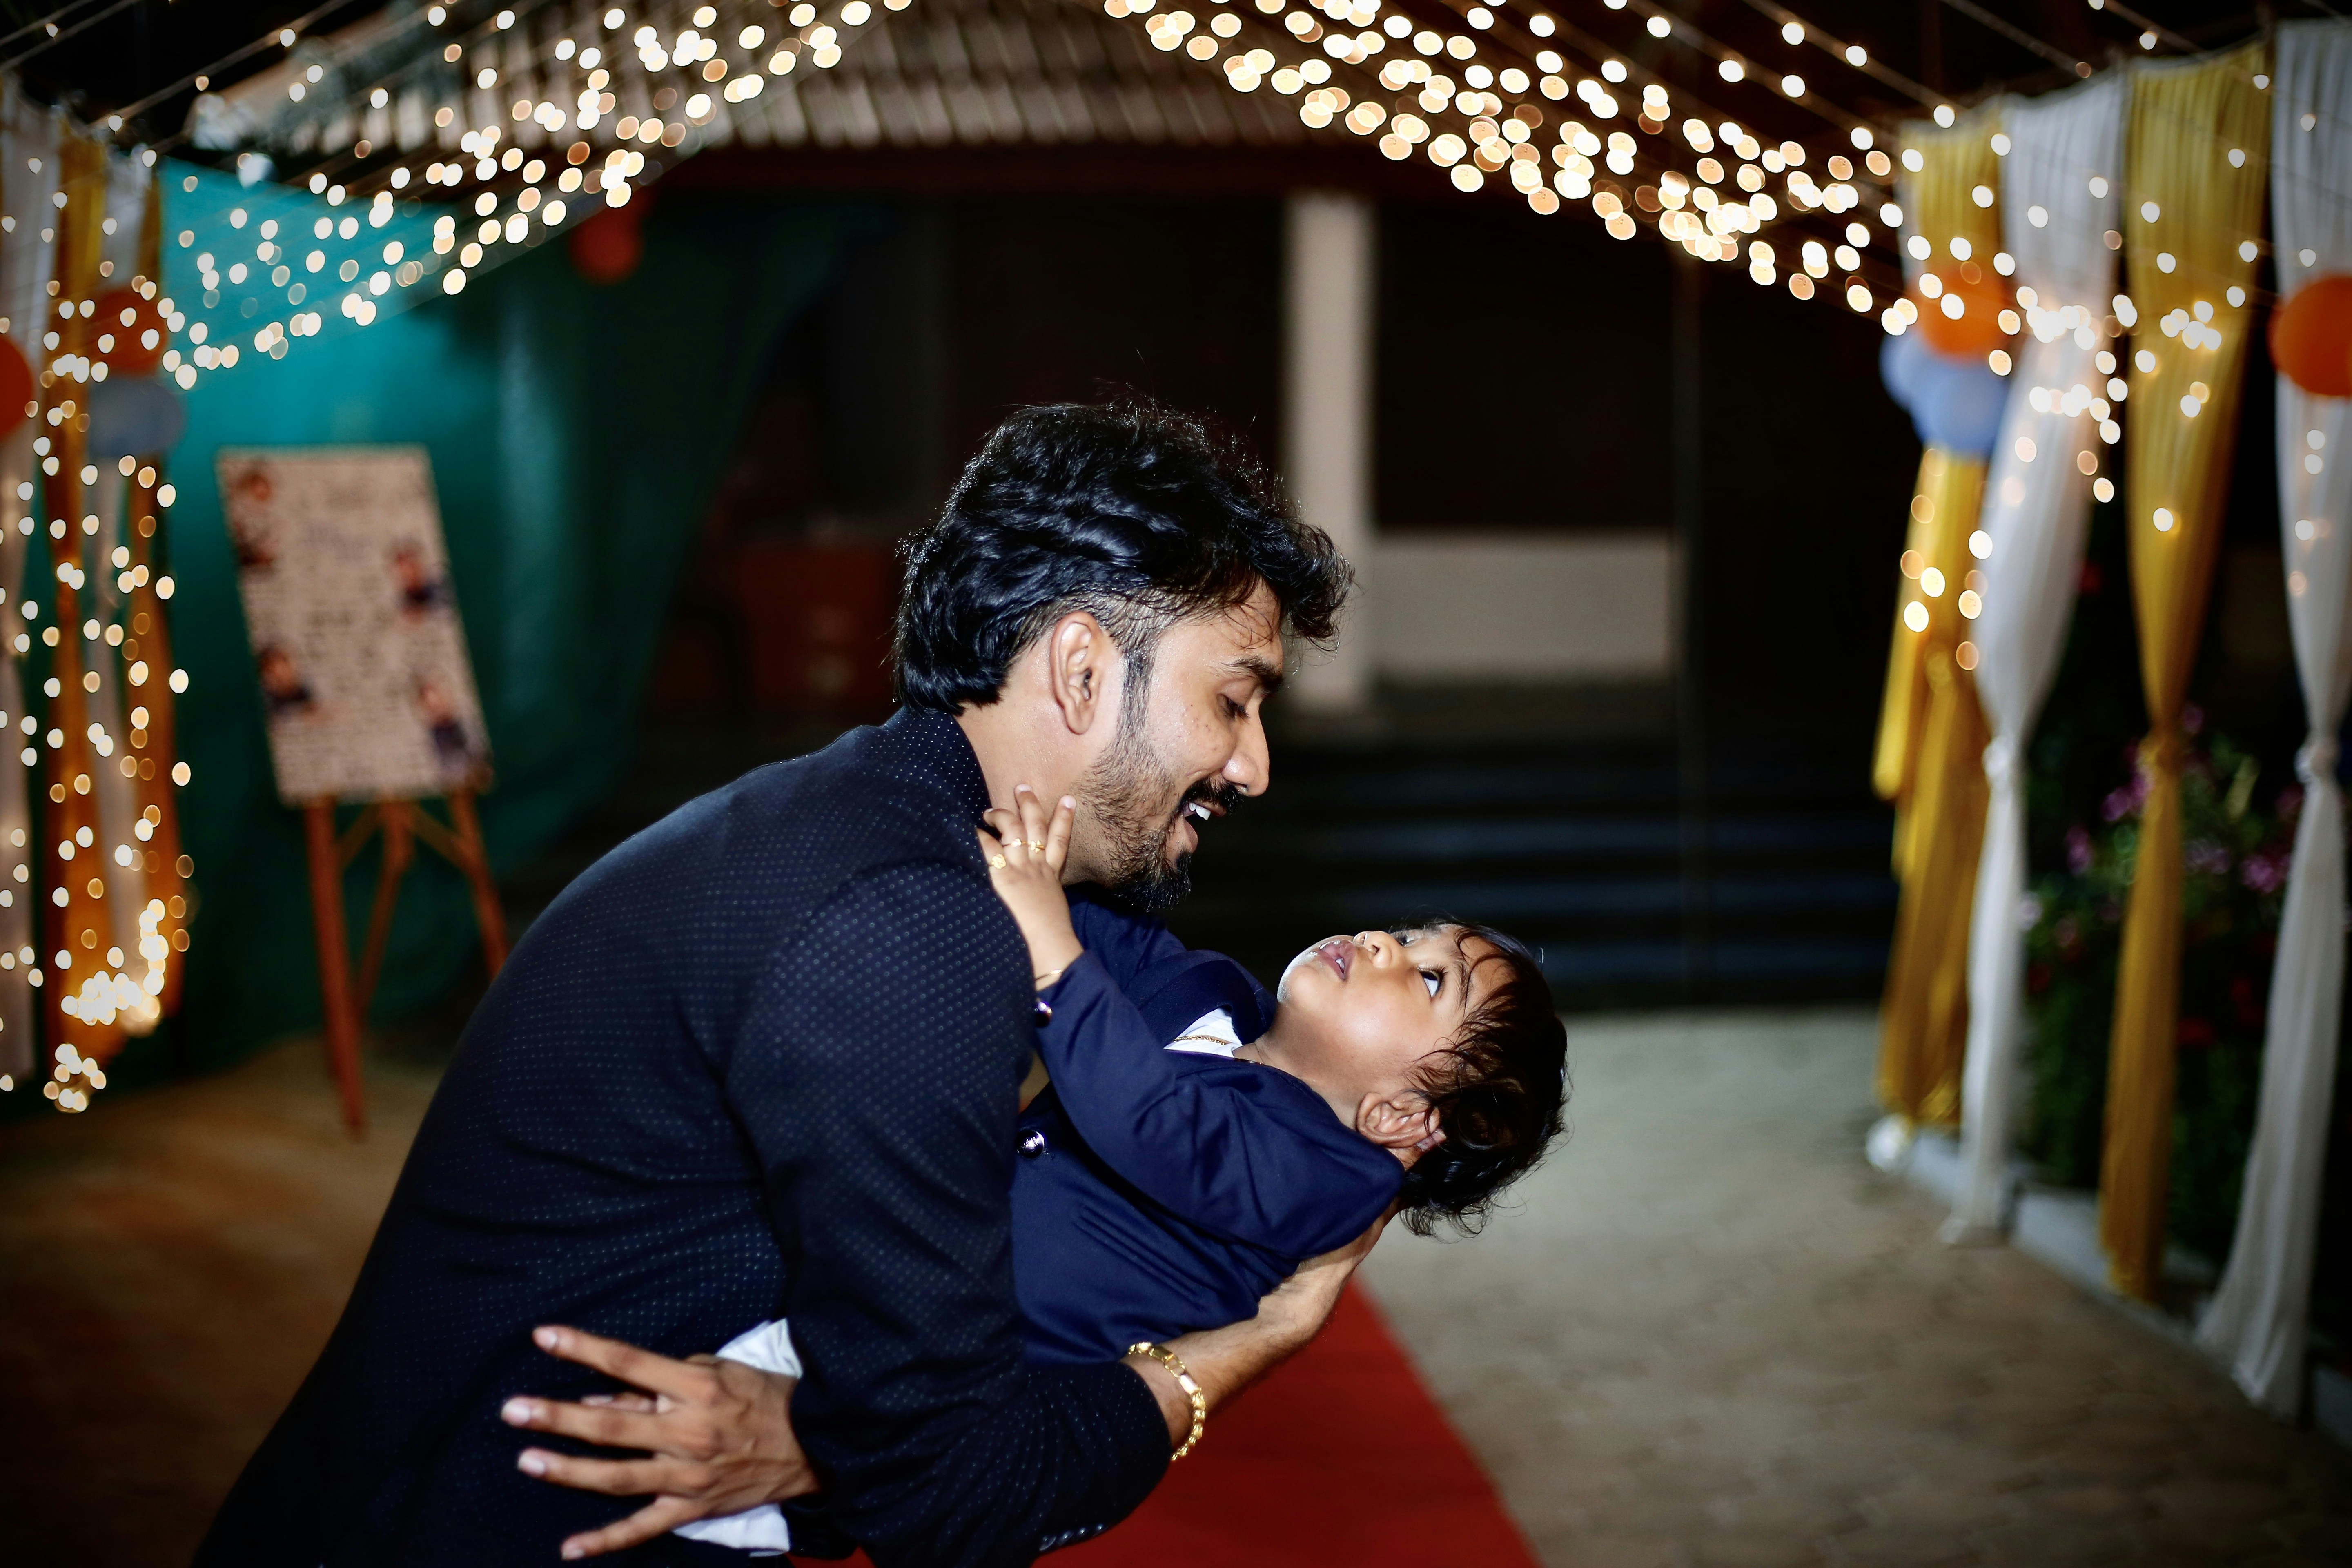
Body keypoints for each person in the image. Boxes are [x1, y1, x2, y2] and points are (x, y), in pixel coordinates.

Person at [193, 400, 1355, 1568]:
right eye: (1236, 700)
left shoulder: (887, 827)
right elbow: (955, 1496)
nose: (1252, 767)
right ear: (1082, 668)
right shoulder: (910, 927)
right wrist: (1247, 1345)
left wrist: (828, 1436)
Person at [677, 790, 1569, 1556]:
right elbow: (1114, 933)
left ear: (1403, 1119)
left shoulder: (1330, 1182)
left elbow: (1155, 1126)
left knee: (700, 1447)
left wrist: (1053, 957)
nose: (1382, 941)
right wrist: (1039, 848)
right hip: (906, 1264)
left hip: (971, 1355)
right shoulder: (1220, 999)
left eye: (1425, 979)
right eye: (1410, 933)